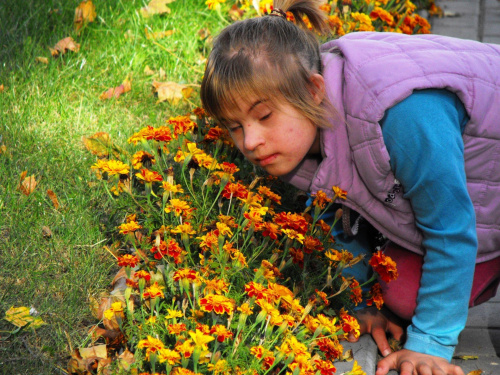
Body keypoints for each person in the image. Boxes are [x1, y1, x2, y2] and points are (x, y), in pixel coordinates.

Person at [200, 0, 500, 374]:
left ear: (313, 90)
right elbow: (343, 208)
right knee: (398, 289)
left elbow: (451, 226)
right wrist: (362, 304)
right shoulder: (297, 131)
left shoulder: (402, 116)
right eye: (234, 126)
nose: (250, 141)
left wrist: (431, 343)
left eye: (263, 115)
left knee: (409, 294)